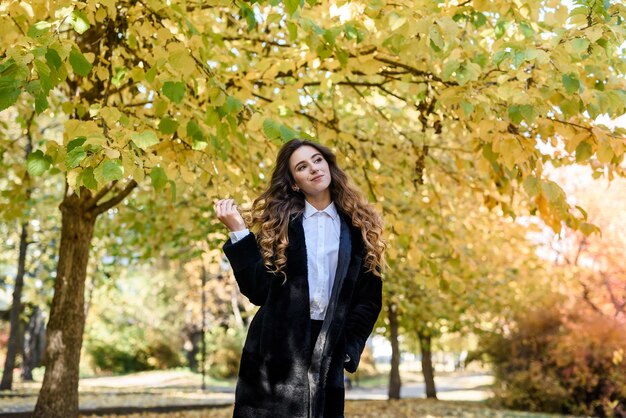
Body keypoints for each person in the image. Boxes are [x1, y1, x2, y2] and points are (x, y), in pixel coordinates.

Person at [215, 139, 385, 418]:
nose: (314, 169)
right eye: (302, 167)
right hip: (273, 352)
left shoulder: (359, 228)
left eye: (318, 160)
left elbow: (368, 300)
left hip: (327, 348)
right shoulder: (278, 226)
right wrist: (238, 232)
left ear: (328, 165)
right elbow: (257, 291)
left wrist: (348, 348)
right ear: (295, 183)